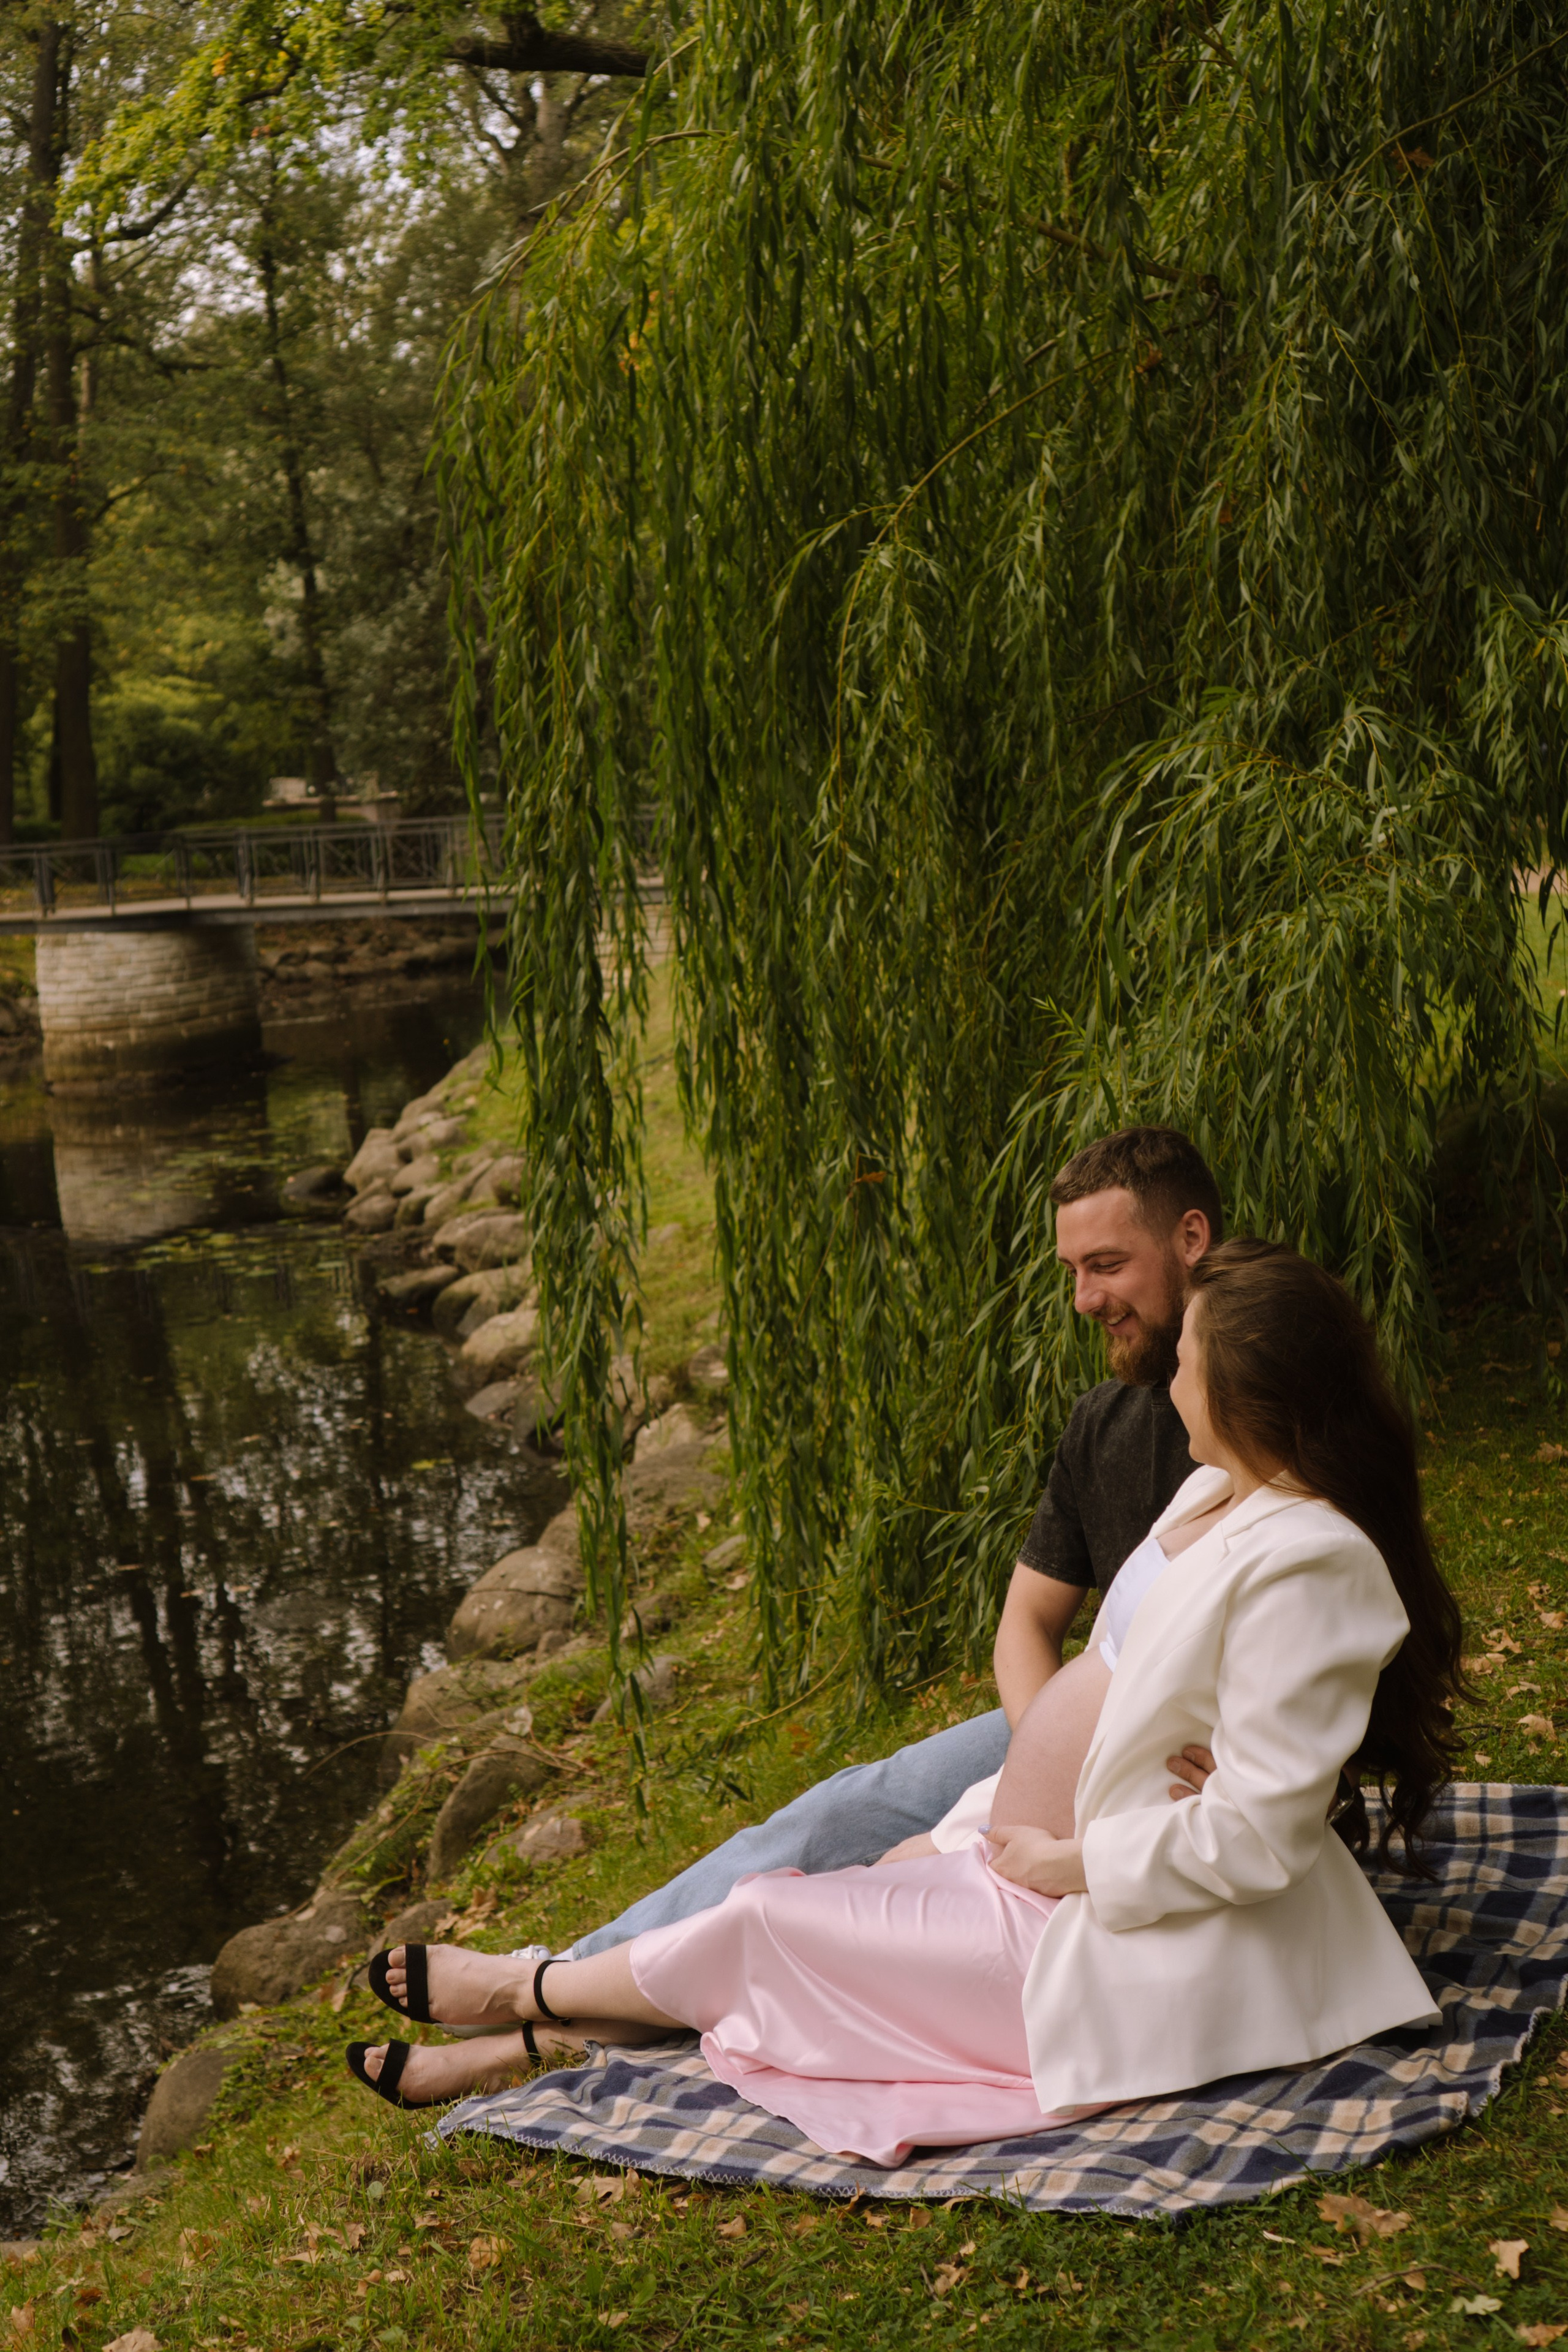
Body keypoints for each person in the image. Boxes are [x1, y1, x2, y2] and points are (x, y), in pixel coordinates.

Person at [347, 1242, 1464, 2163]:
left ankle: (521, 1988)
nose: (1172, 1369)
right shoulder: (1215, 1488)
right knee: (833, 1891)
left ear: (1245, 1388)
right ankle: (532, 2046)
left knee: (766, 1920)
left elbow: (1262, 1833)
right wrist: (1009, 1829)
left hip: (1104, 1925)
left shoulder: (1315, 1557)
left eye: (1193, 1354)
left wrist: (1062, 1862)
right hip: (1019, 1861)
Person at [563, 1126, 1219, 1958]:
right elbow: (1025, 1623)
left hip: (1189, 1756)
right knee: (847, 1810)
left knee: (909, 1882)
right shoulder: (1104, 1421)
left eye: (1108, 1266)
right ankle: (570, 1970)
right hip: (1085, 1727)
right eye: (1073, 1272)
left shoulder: (1272, 1413)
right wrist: (1053, 1750)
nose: (1084, 1300)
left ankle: (576, 1993)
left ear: (1191, 1238)